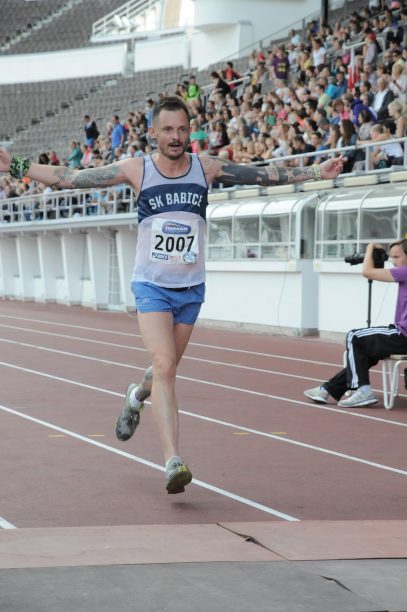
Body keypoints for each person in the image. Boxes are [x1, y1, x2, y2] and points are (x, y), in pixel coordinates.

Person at [0, 96, 343, 494]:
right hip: (151, 286)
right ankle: (172, 461)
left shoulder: (205, 167)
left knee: (163, 371)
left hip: (191, 289)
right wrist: (17, 166)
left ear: (189, 131)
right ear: (153, 133)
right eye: (167, 130)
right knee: (164, 366)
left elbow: (259, 175)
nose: (175, 137)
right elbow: (71, 177)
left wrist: (316, 170)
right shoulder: (137, 169)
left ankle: (136, 395)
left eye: (182, 129)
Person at [304, 240, 407, 408]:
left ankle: (364, 391)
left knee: (354, 336)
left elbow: (368, 272)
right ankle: (327, 389)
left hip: (403, 335)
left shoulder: (406, 272)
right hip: (401, 334)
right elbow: (377, 271)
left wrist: (370, 248)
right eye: (391, 257)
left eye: (397, 257)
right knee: (366, 352)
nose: (393, 261)